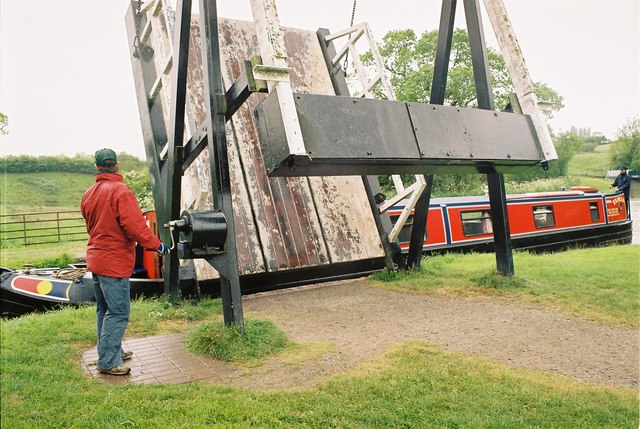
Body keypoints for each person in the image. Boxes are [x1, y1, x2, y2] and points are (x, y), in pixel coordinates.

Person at [81, 148, 170, 375]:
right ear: (117, 165)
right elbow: (135, 226)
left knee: (104, 309)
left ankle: (112, 350)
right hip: (114, 261)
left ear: (96, 167)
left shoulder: (89, 193)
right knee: (119, 312)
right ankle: (109, 361)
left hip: (96, 258)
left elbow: (91, 223)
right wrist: (157, 245)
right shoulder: (120, 191)